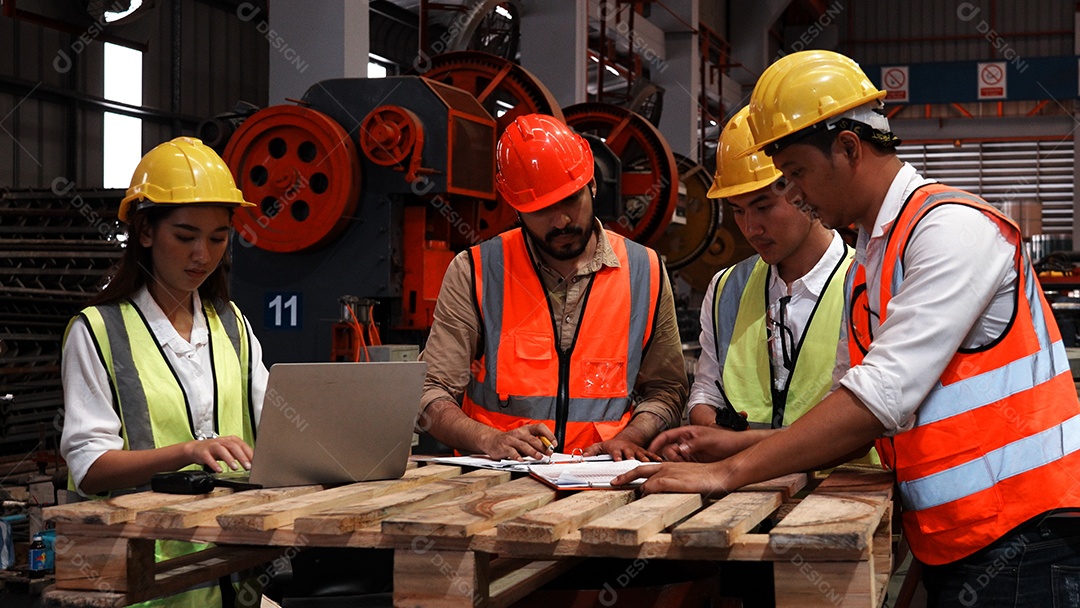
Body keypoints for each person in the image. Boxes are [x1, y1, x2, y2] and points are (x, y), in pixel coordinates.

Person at [617, 50, 1080, 607]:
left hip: (1028, 538)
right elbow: (851, 410)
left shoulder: (952, 230)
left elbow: (880, 395)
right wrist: (736, 442)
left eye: (796, 174)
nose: (794, 194)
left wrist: (727, 472)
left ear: (848, 148)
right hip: (960, 539)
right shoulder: (873, 259)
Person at [60, 136, 268, 607]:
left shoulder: (231, 326)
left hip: (229, 577)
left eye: (218, 238)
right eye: (186, 235)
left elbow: (279, 421)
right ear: (146, 232)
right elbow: (90, 468)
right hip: (144, 582)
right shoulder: (97, 332)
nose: (203, 254)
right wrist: (188, 451)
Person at [418, 113, 687, 461]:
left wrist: (631, 437)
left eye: (570, 200)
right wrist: (489, 440)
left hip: (604, 479)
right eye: (542, 210)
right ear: (516, 209)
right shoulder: (477, 271)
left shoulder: (644, 270)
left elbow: (667, 389)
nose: (561, 221)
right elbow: (428, 392)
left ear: (592, 184)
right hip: (495, 485)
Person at [669, 105, 860, 465]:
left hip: (842, 495)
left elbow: (859, 425)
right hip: (743, 493)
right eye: (738, 210)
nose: (750, 228)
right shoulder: (726, 288)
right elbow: (706, 392)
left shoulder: (860, 283)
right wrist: (709, 426)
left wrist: (737, 447)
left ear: (801, 191)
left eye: (763, 207)